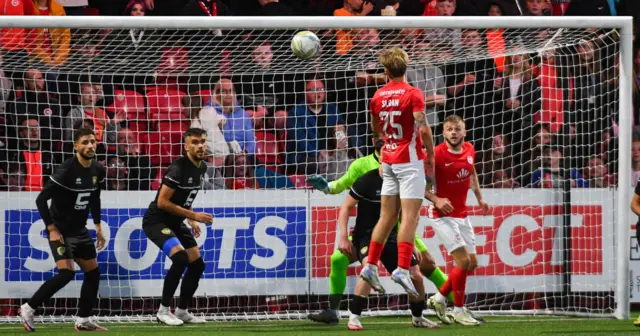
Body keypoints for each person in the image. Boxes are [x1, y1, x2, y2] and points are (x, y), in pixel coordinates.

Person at [306, 138, 454, 324]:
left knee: (426, 265)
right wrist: (328, 187)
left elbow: (414, 192)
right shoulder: (362, 166)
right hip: (370, 231)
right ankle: (336, 311)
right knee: (341, 260)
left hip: (400, 226)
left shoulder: (405, 161)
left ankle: (457, 306)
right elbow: (342, 186)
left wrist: (434, 198)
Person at [359, 47, 435, 297]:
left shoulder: (378, 96)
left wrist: (383, 146)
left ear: (385, 70)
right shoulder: (413, 93)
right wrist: (430, 156)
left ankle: (370, 265)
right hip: (409, 159)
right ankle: (402, 268)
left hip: (388, 160)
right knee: (410, 217)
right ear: (406, 66)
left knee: (387, 217)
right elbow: (422, 129)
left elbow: (375, 130)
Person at [19, 127, 107, 332]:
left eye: (92, 141)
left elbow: (95, 197)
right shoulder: (66, 170)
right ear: (76, 146)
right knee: (67, 273)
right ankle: (28, 308)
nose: (90, 145)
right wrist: (51, 228)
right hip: (60, 229)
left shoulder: (97, 169)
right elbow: (41, 199)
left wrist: (98, 226)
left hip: (80, 230)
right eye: (85, 142)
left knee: (93, 273)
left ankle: (83, 319)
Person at [338, 170, 439, 330]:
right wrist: (343, 237)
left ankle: (418, 318)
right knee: (370, 270)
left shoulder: (400, 181)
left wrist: (410, 244)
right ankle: (354, 318)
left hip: (391, 238)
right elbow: (346, 207)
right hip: (366, 237)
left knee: (416, 275)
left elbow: (404, 218)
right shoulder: (366, 180)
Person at [142, 128, 214, 325]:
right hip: (156, 221)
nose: (200, 146)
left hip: (175, 221)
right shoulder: (177, 168)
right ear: (186, 146)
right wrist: (194, 216)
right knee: (180, 258)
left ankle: (182, 311)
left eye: (203, 142)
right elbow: (162, 203)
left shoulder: (202, 167)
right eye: (195, 142)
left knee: (197, 264)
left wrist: (190, 220)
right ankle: (163, 311)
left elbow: (185, 196)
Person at [424, 115, 489, 326]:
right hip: (441, 215)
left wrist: (479, 198)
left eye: (457, 129)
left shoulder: (470, 149)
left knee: (472, 263)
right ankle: (458, 310)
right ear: (443, 133)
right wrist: (436, 199)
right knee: (462, 261)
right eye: (449, 129)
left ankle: (439, 298)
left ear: (464, 132)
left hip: (462, 214)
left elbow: (472, 173)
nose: (453, 132)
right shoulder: (434, 155)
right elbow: (417, 184)